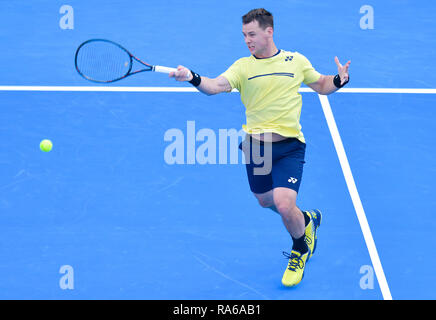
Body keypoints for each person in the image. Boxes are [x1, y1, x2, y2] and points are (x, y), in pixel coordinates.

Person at [169, 8, 350, 287]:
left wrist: (338, 80)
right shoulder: (243, 67)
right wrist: (192, 77)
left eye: (251, 34)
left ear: (269, 31)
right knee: (264, 200)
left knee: (282, 202)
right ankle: (306, 220)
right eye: (244, 35)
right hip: (256, 148)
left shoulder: (295, 61)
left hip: (290, 146)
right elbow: (215, 86)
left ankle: (300, 248)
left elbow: (322, 84)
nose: (247, 40)